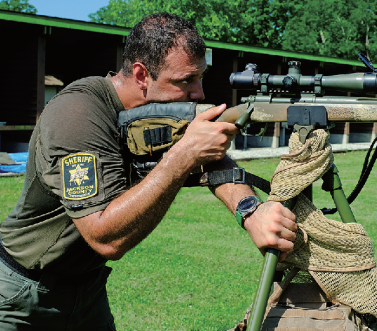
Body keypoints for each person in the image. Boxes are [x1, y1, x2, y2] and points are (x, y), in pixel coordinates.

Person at [0, 13, 297, 330]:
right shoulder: (77, 115)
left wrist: (249, 210)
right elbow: (105, 238)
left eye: (200, 78)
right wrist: (182, 156)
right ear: (141, 74)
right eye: (185, 81)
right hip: (22, 295)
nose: (199, 93)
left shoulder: (152, 115)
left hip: (87, 291)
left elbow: (211, 159)